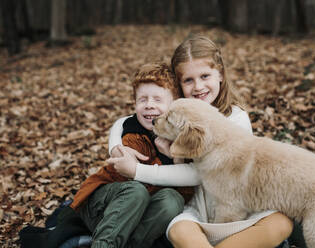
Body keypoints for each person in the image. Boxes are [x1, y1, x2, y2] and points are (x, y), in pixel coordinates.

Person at [107, 36, 295, 248]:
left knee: (281, 223)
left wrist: (137, 171)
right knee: (179, 231)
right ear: (178, 85)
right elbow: (124, 121)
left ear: (221, 74)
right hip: (194, 208)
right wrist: (116, 146)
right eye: (188, 80)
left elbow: (200, 173)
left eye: (205, 76)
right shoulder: (174, 115)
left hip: (235, 209)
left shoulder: (236, 118)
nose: (198, 87)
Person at [71, 62, 194, 248]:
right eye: (142, 100)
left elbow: (186, 193)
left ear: (174, 104)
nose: (149, 105)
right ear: (134, 104)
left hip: (134, 221)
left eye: (158, 100)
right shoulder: (132, 133)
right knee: (136, 192)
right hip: (103, 207)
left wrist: (176, 158)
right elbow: (134, 181)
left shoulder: (180, 138)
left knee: (172, 199)